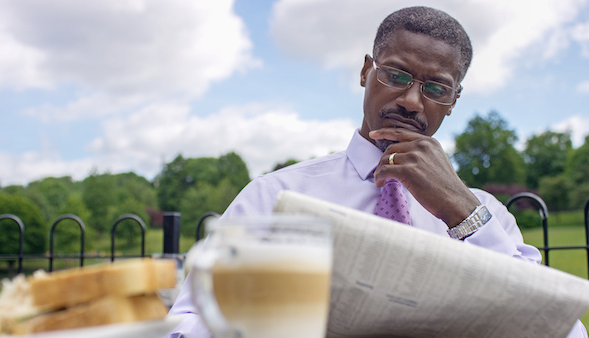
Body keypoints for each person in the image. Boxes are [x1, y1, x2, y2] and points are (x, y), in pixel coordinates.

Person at [168, 6, 587, 337]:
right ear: (367, 71)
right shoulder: (273, 196)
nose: (410, 100)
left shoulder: (486, 215)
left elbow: (563, 331)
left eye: (436, 88)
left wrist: (463, 212)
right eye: (395, 74)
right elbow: (183, 326)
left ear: (454, 98)